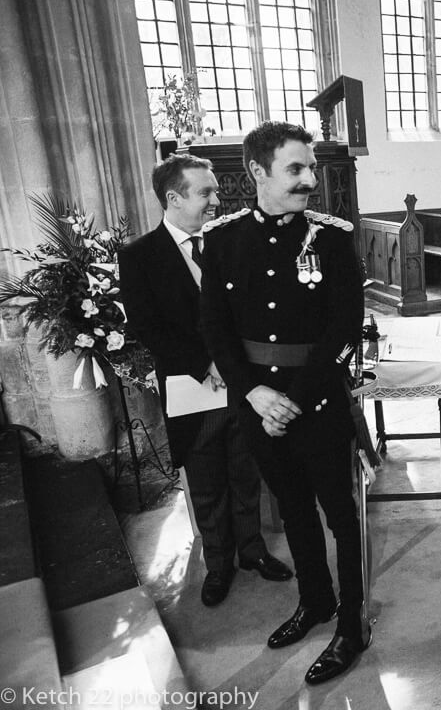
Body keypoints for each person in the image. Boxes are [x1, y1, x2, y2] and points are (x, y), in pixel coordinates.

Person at [199, 121, 369, 685]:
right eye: (296, 169)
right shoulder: (222, 239)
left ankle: (352, 623)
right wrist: (253, 391)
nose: (310, 180)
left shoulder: (333, 235)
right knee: (293, 509)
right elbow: (216, 329)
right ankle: (315, 601)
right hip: (257, 404)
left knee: (340, 515)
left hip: (314, 401)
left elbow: (344, 327)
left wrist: (293, 399)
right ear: (257, 172)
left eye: (311, 167)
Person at [120, 155, 293, 608]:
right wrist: (207, 363)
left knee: (245, 469)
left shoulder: (228, 243)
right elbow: (146, 326)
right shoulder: (140, 256)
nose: (218, 201)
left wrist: (239, 363)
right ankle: (219, 566)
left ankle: (253, 551)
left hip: (244, 384)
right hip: (189, 387)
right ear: (173, 199)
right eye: (206, 193)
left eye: (216, 192)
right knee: (206, 480)